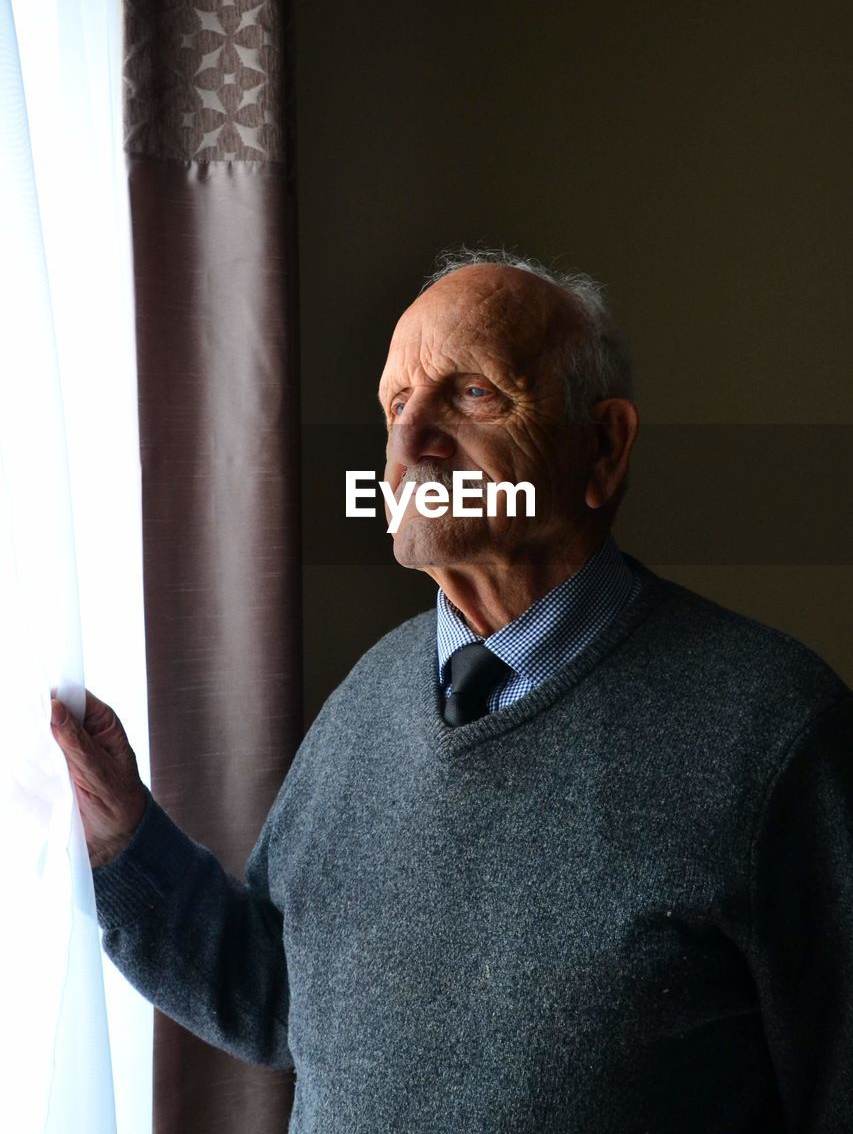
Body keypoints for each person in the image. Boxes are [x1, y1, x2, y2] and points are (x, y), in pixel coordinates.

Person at [51, 249, 853, 1132]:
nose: (409, 443)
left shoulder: (777, 733)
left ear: (604, 444)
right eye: (396, 405)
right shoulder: (368, 699)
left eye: (471, 393)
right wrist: (126, 841)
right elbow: (283, 1001)